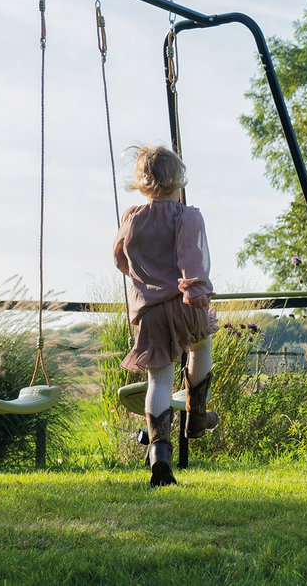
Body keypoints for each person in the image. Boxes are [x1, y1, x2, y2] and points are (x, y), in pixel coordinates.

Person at [112, 145, 216, 487]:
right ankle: (196, 415)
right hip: (184, 303)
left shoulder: (131, 217)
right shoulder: (187, 216)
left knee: (159, 380)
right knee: (200, 346)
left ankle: (159, 452)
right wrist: (195, 289)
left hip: (149, 310)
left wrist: (146, 277)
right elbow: (191, 259)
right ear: (179, 180)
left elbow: (120, 259)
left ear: (141, 183)